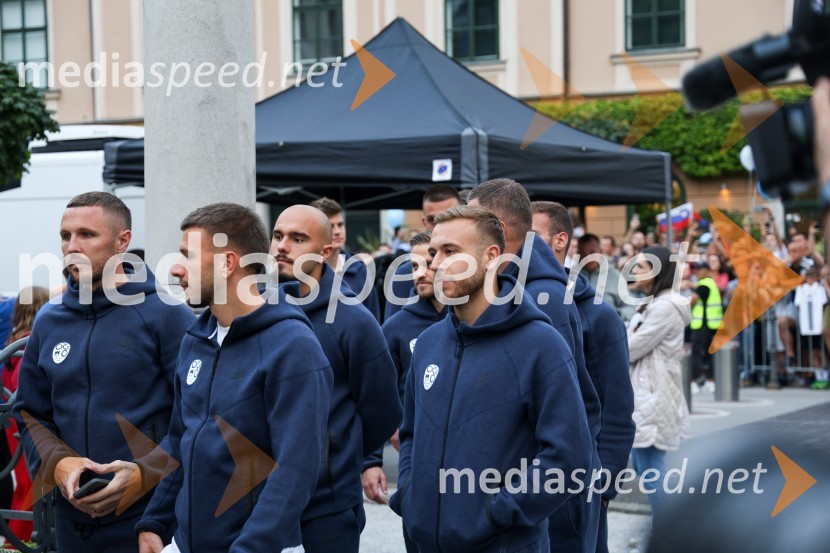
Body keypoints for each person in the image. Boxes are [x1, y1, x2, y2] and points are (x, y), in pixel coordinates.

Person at [390, 206, 593, 553]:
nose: (435, 263)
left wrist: (500, 511)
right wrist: (411, 495)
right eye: (435, 252)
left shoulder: (540, 345)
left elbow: (569, 456)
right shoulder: (428, 344)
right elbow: (410, 434)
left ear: (491, 257)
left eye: (451, 252)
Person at [135, 203, 332, 553]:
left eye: (188, 256)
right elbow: (182, 439)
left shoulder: (293, 346)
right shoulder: (196, 339)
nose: (177, 269)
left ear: (227, 264)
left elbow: (296, 470)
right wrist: (155, 521)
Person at [12, 192, 195, 553]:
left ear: (122, 241)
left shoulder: (165, 313)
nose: (71, 247)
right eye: (66, 236)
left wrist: (145, 475)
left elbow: (200, 415)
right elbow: (29, 412)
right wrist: (59, 463)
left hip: (151, 521)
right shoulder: (49, 320)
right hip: (68, 522)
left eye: (87, 235)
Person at [468, 180, 601, 553]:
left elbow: (568, 417)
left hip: (545, 503)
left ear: (499, 227)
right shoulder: (503, 287)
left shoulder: (545, 299)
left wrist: (516, 502)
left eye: (472, 217)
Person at [271, 205, 401, 553]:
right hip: (264, 497)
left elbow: (382, 409)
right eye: (278, 235)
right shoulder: (262, 312)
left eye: (298, 239)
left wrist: (336, 453)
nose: (283, 246)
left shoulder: (354, 320)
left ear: (326, 252)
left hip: (327, 504)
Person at [531, 201, 635, 553]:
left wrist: (603, 485)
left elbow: (617, 408)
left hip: (581, 487)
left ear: (561, 240)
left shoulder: (599, 316)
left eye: (533, 237)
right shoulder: (512, 306)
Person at [364, 231, 447, 553]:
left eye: (428, 262)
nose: (421, 272)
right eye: (413, 265)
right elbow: (375, 397)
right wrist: (371, 461)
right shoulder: (397, 327)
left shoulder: (471, 322)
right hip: (417, 464)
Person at [627, 246, 691, 518]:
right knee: (644, 467)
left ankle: (667, 538)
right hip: (647, 393)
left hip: (654, 393)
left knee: (652, 472)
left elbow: (630, 348)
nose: (635, 271)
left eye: (641, 267)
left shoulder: (664, 307)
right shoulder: (655, 304)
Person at [3, 286, 49, 542]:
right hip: (28, 424)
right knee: (34, 486)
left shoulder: (13, 343)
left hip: (11, 423)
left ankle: (13, 541)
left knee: (23, 484)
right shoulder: (32, 345)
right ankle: (19, 542)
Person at [384, 185, 461, 320]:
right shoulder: (404, 274)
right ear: (424, 221)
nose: (439, 225)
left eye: (448, 217)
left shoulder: (476, 267)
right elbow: (394, 331)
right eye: (433, 219)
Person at [310, 197, 381, 321]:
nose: (337, 231)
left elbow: (373, 318)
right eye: (331, 226)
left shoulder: (360, 269)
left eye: (340, 225)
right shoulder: (305, 269)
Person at [577, 233, 635, 324]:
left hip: (609, 329)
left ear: (600, 251)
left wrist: (616, 314)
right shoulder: (571, 276)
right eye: (583, 253)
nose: (588, 257)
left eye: (592, 252)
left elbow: (631, 307)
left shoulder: (615, 276)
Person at [689, 261, 723, 387]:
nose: (696, 272)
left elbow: (693, 299)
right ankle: (710, 380)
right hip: (713, 325)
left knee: (696, 354)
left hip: (701, 325)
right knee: (710, 355)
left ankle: (695, 379)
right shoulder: (712, 284)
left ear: (707, 271)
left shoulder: (704, 285)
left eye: (699, 269)